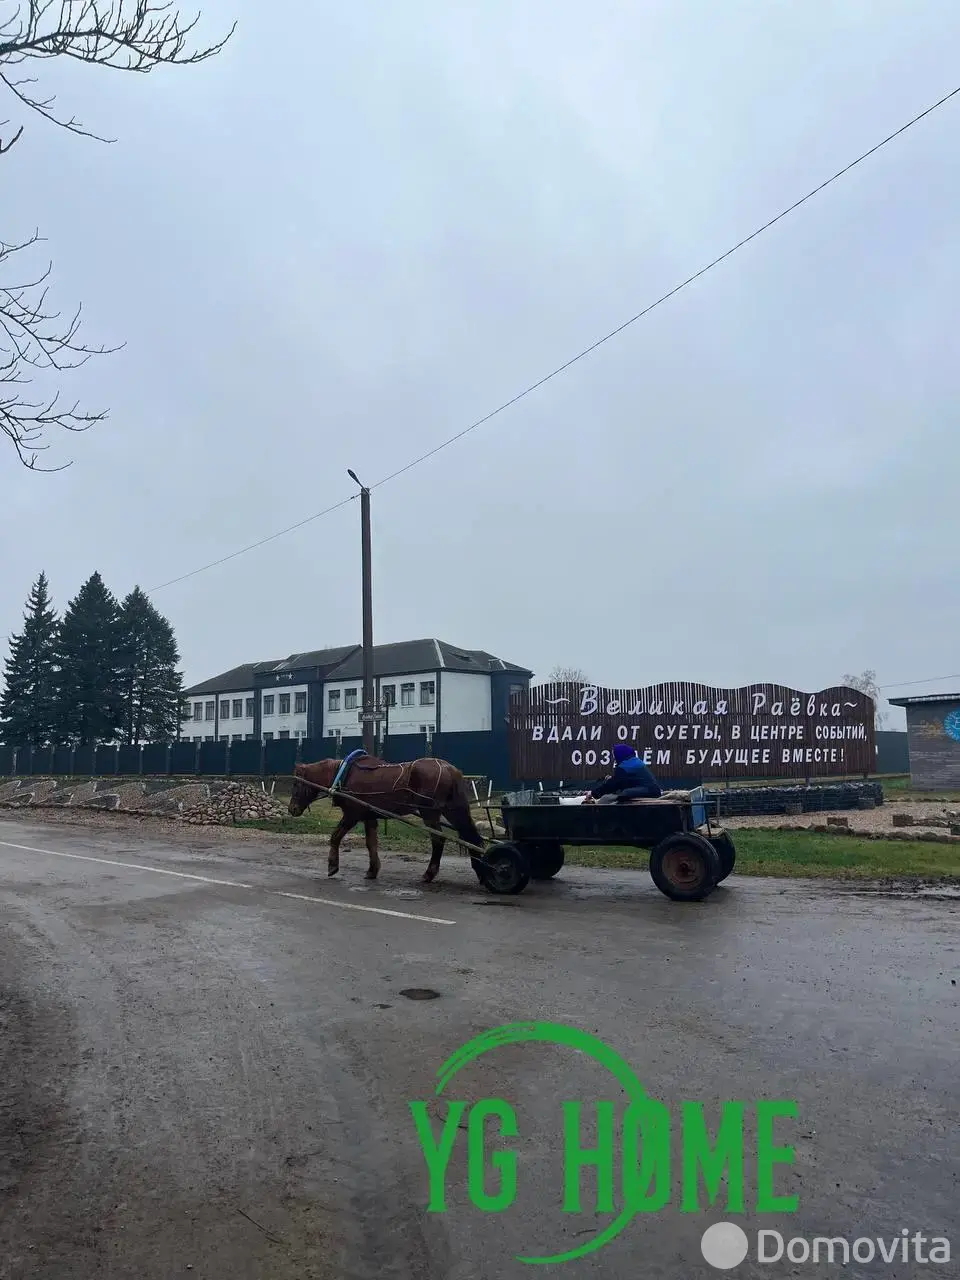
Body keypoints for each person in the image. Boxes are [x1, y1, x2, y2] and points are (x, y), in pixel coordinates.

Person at [583, 743, 663, 804]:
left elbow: (612, 785)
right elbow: (624, 781)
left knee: (607, 798)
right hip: (652, 791)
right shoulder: (634, 761)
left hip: (648, 792)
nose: (614, 758)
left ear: (620, 754)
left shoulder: (625, 766)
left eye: (614, 755)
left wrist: (593, 793)